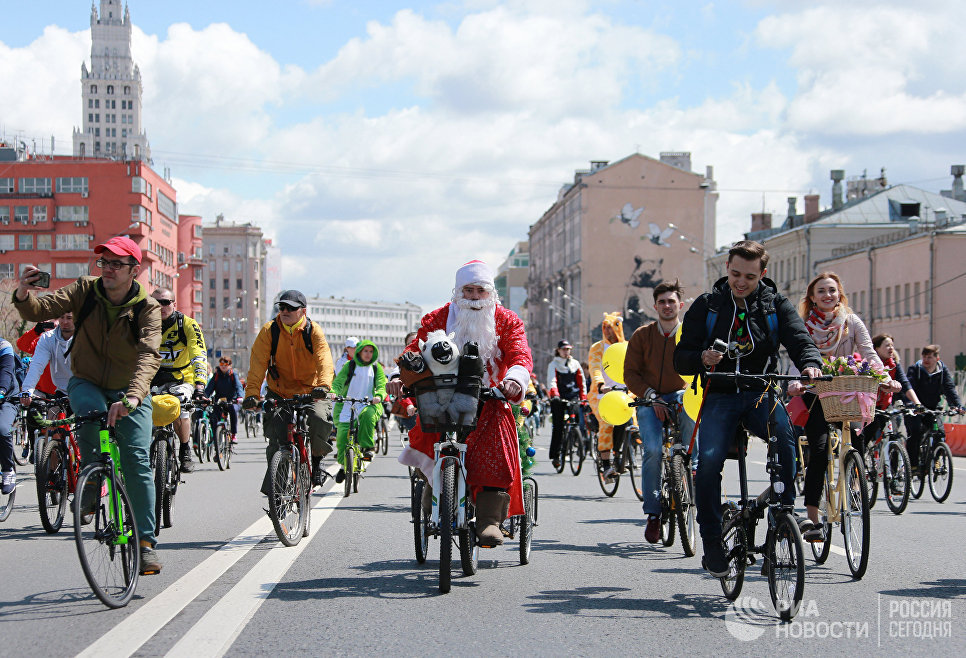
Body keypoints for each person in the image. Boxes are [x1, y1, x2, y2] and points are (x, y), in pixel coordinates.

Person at [13, 236, 163, 574]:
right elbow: (41, 309)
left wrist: (135, 396)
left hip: (130, 387)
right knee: (87, 417)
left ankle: (146, 542)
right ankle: (92, 481)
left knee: (137, 460)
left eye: (116, 264)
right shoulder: (85, 290)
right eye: (104, 262)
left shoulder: (147, 307)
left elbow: (149, 354)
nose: (108, 269)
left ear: (133, 271)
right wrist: (24, 294)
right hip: (87, 380)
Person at [674, 240, 823, 577]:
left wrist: (811, 364)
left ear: (763, 274)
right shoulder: (708, 305)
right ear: (727, 268)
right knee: (708, 463)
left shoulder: (775, 305)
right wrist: (701, 358)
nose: (741, 282)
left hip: (760, 392)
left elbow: (801, 341)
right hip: (719, 395)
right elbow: (680, 358)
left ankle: (783, 515)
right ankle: (712, 538)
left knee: (785, 439)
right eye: (735, 273)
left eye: (750, 277)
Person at [388, 260, 531, 547]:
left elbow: (519, 354)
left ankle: (490, 521)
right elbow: (414, 350)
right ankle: (435, 490)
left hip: (491, 399)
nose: (475, 297)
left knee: (498, 451)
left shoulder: (507, 320)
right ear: (458, 292)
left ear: (490, 293)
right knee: (428, 439)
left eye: (480, 290)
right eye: (468, 290)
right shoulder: (438, 318)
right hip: (441, 397)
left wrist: (515, 378)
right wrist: (397, 374)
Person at [786, 272, 898, 542]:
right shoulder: (804, 326)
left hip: (848, 393)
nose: (828, 295)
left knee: (857, 446)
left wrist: (884, 379)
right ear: (812, 297)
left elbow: (870, 353)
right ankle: (813, 519)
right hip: (817, 393)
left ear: (839, 294)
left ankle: (855, 493)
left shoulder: (851, 321)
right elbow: (796, 357)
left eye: (832, 290)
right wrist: (795, 382)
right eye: (821, 291)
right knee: (820, 451)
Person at [624, 279, 697, 544]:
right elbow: (629, 373)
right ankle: (653, 514)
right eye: (662, 302)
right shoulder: (643, 335)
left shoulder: (690, 334)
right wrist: (651, 395)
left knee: (689, 444)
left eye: (671, 301)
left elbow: (701, 367)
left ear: (681, 304)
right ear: (655, 306)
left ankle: (692, 474)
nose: (667, 306)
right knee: (653, 450)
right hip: (649, 398)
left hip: (680, 395)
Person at [243, 290, 335, 489]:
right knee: (276, 436)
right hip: (280, 391)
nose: (284, 311)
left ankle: (317, 461)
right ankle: (277, 488)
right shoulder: (270, 331)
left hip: (313, 390)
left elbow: (324, 360)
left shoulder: (313, 331)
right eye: (281, 307)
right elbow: (258, 364)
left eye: (290, 308)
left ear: (302, 311)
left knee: (319, 418)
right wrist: (252, 394)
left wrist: (324, 386)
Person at [149, 287, 208, 473]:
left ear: (174, 304)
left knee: (182, 408)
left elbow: (198, 354)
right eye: (156, 302)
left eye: (165, 302)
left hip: (182, 377)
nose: (160, 306)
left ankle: (184, 450)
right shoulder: (144, 323)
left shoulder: (188, 325)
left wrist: (200, 386)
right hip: (152, 376)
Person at [330, 339, 386, 481]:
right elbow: (337, 382)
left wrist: (379, 396)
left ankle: (367, 447)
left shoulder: (376, 367)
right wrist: (333, 392)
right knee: (342, 437)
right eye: (365, 351)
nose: (368, 354)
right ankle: (343, 467)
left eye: (370, 351)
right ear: (359, 352)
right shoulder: (349, 365)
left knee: (367, 416)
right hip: (347, 404)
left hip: (368, 404)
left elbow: (381, 384)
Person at [587, 312, 633, 482]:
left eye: (610, 328)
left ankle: (626, 450)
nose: (607, 332)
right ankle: (606, 466)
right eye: (604, 328)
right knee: (606, 424)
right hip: (601, 395)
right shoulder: (597, 347)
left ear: (618, 328)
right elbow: (595, 368)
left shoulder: (628, 347)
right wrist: (600, 385)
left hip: (625, 392)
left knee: (633, 419)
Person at [905, 344, 965, 473]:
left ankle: (936, 460)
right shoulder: (915, 370)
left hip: (932, 408)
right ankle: (913, 465)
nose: (926, 360)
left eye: (930, 357)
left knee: (939, 433)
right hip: (916, 408)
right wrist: (911, 404)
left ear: (937, 358)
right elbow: (909, 387)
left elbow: (949, 389)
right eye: (924, 356)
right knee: (914, 432)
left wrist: (957, 406)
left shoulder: (942, 371)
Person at [859, 334, 921, 450]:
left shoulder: (894, 364)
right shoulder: (867, 364)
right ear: (876, 348)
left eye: (892, 345)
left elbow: (905, 384)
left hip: (885, 407)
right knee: (864, 439)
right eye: (887, 345)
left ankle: (892, 462)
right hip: (869, 409)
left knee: (893, 435)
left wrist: (917, 403)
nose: (891, 348)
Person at [546, 339, 587, 470]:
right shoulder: (553, 364)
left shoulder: (575, 363)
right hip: (559, 398)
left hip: (573, 396)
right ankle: (556, 455)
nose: (566, 351)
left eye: (568, 349)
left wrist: (583, 397)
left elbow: (582, 382)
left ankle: (576, 441)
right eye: (563, 349)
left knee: (577, 421)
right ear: (558, 350)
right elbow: (552, 380)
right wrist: (555, 395)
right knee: (558, 427)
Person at [205, 357, 244, 443]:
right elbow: (209, 388)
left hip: (232, 401)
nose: (223, 366)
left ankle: (233, 434)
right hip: (219, 401)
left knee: (233, 410)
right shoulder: (216, 375)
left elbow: (238, 386)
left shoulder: (233, 375)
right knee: (214, 418)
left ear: (230, 365)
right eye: (221, 364)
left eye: (225, 364)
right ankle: (216, 442)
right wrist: (205, 397)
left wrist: (240, 397)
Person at [0, 338, 22, 494]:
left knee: (1, 429)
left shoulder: (4, 346)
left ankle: (8, 470)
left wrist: (1, 390)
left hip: (6, 398)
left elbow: (6, 372)